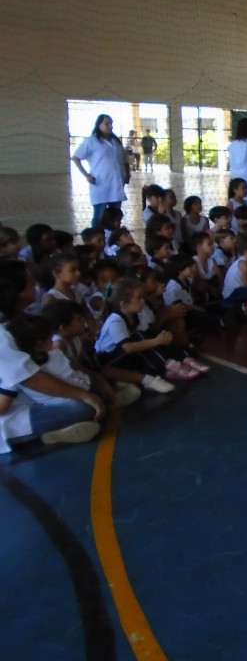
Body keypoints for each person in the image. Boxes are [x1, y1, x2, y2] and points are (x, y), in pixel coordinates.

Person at [0, 261, 105, 452]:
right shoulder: (3, 336)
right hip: (13, 413)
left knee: (92, 392)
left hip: (35, 399)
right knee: (85, 407)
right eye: (30, 282)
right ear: (15, 292)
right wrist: (83, 394)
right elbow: (33, 379)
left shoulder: (21, 321)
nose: (36, 286)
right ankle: (52, 433)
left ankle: (62, 428)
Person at [72, 114, 131, 227]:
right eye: (106, 123)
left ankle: (113, 235)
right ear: (99, 125)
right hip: (100, 184)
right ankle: (96, 235)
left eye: (111, 123)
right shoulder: (91, 141)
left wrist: (127, 174)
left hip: (116, 184)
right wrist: (87, 175)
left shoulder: (116, 142)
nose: (110, 126)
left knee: (115, 215)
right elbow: (76, 158)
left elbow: (125, 160)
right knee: (100, 215)